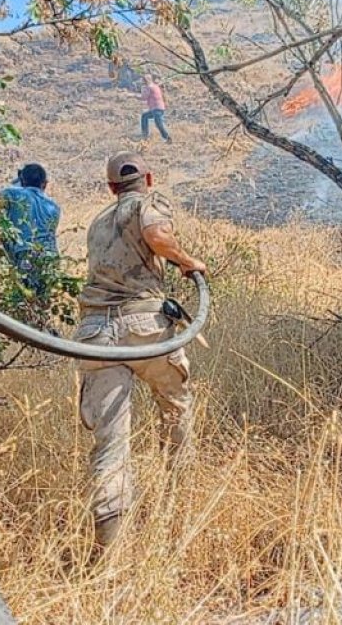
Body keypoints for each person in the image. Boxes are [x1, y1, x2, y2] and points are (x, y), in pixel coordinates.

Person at [74, 152, 206, 547]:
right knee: (176, 404)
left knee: (111, 442)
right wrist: (186, 262)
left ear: (111, 188)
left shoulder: (98, 221)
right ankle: (181, 510)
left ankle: (109, 549)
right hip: (144, 327)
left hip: (96, 335)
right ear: (147, 178)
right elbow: (157, 235)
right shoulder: (150, 202)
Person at [0, 162, 61, 295]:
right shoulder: (54, 206)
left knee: (21, 297)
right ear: (45, 184)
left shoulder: (12, 195)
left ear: (22, 180)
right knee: (43, 299)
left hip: (26, 255)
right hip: (50, 258)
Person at [139, 73, 171, 142]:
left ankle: (167, 138)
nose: (142, 81)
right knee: (144, 116)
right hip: (158, 108)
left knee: (159, 124)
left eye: (143, 80)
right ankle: (145, 135)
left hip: (156, 109)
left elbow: (143, 97)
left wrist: (131, 95)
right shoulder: (154, 86)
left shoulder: (149, 87)